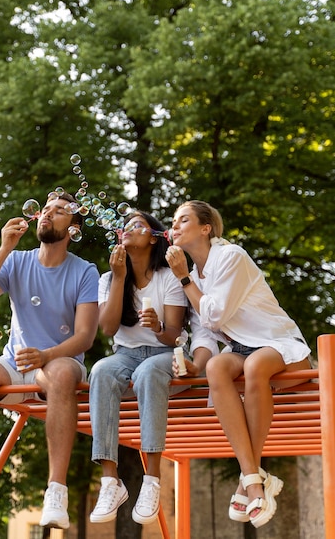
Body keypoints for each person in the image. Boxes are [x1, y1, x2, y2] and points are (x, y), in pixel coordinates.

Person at [0, 191, 99, 530]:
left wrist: (47, 355)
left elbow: (84, 336)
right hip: (14, 362)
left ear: (73, 229)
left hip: (57, 361)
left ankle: (56, 490)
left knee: (62, 375)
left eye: (59, 211)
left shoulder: (85, 271)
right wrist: (4, 248)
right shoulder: (17, 260)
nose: (48, 214)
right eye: (46, 209)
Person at [166, 199, 312, 529]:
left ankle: (250, 480)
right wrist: (193, 363)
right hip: (244, 351)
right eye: (173, 221)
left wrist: (184, 279)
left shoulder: (231, 256)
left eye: (183, 220)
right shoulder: (194, 276)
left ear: (206, 228)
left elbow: (214, 314)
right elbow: (206, 331)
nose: (174, 226)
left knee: (253, 366)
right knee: (217, 367)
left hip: (282, 347)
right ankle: (253, 476)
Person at [88, 210, 213, 526]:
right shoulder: (108, 278)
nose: (129, 229)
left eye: (138, 225)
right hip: (125, 353)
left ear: (154, 237)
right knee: (101, 370)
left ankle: (152, 480)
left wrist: (158, 326)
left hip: (163, 352)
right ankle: (110, 481)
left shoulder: (168, 277)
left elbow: (173, 335)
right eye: (125, 226)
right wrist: (118, 277)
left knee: (147, 372)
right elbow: (107, 328)